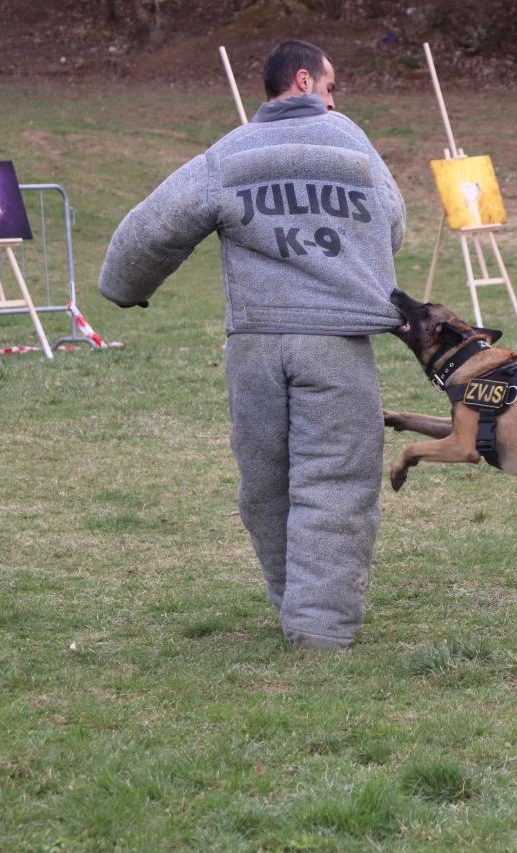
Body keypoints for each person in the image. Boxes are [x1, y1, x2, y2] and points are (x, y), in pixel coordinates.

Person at [98, 40, 406, 650]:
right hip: (337, 343)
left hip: (256, 344)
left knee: (266, 483)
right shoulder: (351, 141)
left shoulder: (231, 151)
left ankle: (293, 601)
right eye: (330, 86)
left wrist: (124, 289)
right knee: (336, 483)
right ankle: (319, 627)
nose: (334, 100)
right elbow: (392, 224)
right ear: (304, 81)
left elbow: (155, 226)